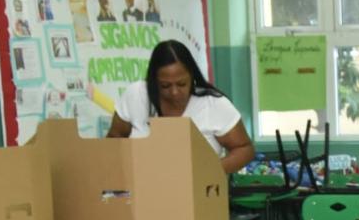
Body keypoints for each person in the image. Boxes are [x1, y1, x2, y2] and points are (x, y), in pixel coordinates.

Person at [107, 40, 254, 176]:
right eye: (165, 86)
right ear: (153, 80)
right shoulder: (136, 94)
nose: (174, 92)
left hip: (198, 193)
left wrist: (210, 172)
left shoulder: (213, 104)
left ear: (192, 76)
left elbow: (244, 150)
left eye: (182, 84)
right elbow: (114, 139)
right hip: (141, 190)